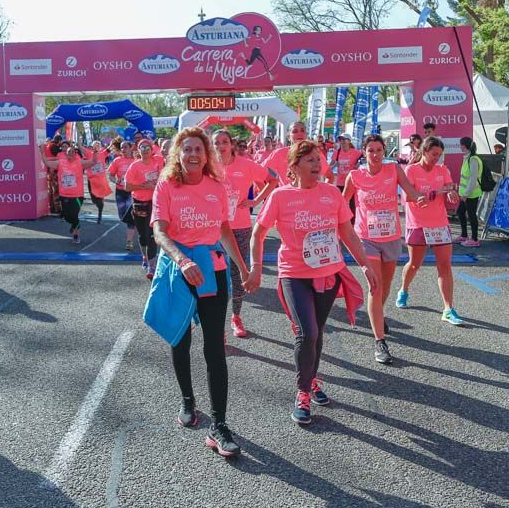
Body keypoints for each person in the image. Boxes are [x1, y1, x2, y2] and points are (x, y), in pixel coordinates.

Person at [247, 140, 377, 425]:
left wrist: (366, 265)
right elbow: (258, 233)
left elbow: (347, 232)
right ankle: (303, 392)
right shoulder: (281, 197)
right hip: (294, 274)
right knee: (307, 333)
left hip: (328, 273)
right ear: (293, 167)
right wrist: (256, 268)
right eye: (309, 160)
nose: (317, 165)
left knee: (317, 332)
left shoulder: (332, 193)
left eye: (318, 160)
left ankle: (312, 379)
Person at [150, 127, 249, 457]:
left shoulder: (217, 187)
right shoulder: (166, 186)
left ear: (207, 156)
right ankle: (188, 400)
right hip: (179, 270)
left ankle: (219, 425)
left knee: (214, 347)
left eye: (199, 149)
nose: (193, 154)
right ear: (178, 153)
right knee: (180, 339)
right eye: (187, 148)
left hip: (212, 271)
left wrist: (244, 268)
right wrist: (180, 259)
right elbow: (160, 233)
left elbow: (224, 230)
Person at [343, 135, 424, 364]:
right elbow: (342, 202)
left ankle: (378, 313)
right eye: (371, 150)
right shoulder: (355, 175)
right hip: (366, 237)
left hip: (391, 237)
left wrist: (419, 199)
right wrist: (341, 225)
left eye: (379, 150)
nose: (376, 154)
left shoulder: (394, 170)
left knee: (386, 285)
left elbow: (409, 191)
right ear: (364, 152)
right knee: (375, 286)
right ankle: (379, 341)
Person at [212, 129, 277, 337]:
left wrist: (256, 201)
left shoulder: (246, 165)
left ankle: (236, 317)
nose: (220, 146)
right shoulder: (208, 167)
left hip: (239, 227)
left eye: (224, 142)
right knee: (213, 275)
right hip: (212, 228)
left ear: (231, 144)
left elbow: (273, 180)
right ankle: (217, 324)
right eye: (216, 142)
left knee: (237, 272)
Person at [395, 137, 464, 325]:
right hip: (418, 224)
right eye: (434, 154)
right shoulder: (411, 170)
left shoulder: (442, 170)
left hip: (440, 224)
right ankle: (404, 289)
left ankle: (448, 309)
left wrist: (451, 192)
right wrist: (420, 197)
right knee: (415, 264)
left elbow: (450, 187)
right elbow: (406, 198)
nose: (437, 159)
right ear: (424, 151)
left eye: (440, 156)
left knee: (444, 266)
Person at [42, 141, 97, 244]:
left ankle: (76, 235)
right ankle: (73, 225)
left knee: (74, 214)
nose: (71, 153)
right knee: (67, 216)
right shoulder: (60, 162)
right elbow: (47, 163)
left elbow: (93, 162)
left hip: (77, 194)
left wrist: (95, 151)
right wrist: (42, 151)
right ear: (65, 154)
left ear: (75, 153)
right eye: (68, 152)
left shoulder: (80, 162)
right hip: (64, 194)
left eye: (72, 151)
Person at [125, 138, 164, 277]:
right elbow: (127, 186)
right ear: (139, 150)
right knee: (142, 236)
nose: (146, 150)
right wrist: (143, 186)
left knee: (151, 234)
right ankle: (144, 257)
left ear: (152, 149)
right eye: (143, 147)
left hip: (154, 203)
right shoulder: (135, 166)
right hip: (139, 203)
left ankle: (152, 267)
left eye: (148, 147)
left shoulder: (158, 161)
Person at [108, 141, 137, 251]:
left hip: (132, 192)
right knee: (122, 215)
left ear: (131, 148)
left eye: (125, 147)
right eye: (122, 148)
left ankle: (129, 241)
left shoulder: (136, 161)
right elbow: (110, 175)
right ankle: (135, 225)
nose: (123, 149)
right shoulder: (117, 160)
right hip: (120, 191)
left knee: (130, 215)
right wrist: (116, 180)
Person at [457, 136, 484, 248]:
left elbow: (473, 179)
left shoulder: (473, 159)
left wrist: (466, 194)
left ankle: (475, 239)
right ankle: (464, 235)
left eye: (460, 144)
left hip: (471, 194)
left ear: (464, 146)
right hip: (466, 194)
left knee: (471, 215)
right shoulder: (468, 158)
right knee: (460, 212)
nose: (459, 146)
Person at [85, 141, 113, 224]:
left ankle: (100, 214)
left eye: (98, 145)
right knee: (94, 199)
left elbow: (110, 147)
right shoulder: (88, 154)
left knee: (100, 198)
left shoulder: (103, 153)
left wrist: (113, 142)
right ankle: (98, 205)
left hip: (101, 180)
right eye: (95, 146)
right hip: (91, 179)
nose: (96, 147)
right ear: (92, 147)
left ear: (100, 147)